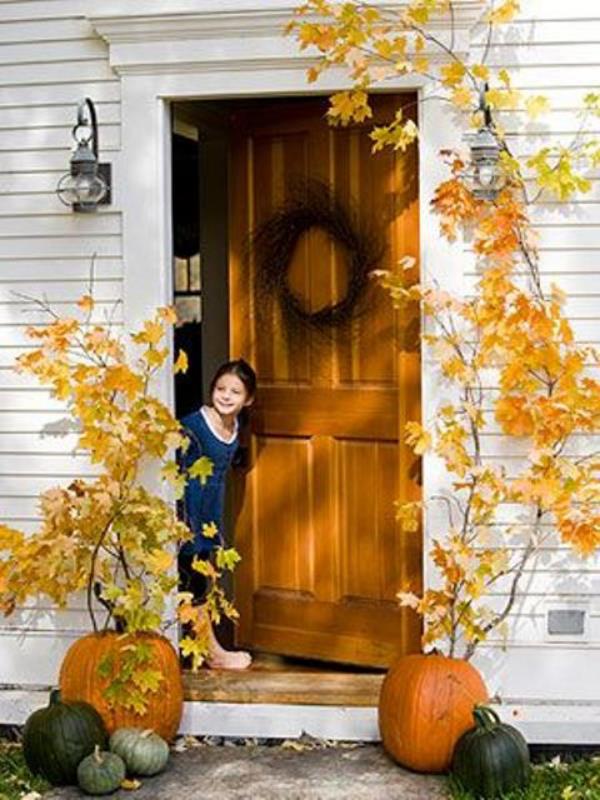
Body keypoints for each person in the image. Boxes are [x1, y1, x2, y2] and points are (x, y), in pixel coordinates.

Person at [178, 358, 256, 670]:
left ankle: (198, 646)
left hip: (210, 511)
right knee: (193, 578)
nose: (225, 395)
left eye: (235, 391)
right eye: (220, 388)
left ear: (248, 399)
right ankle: (212, 652)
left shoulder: (235, 426)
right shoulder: (194, 426)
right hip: (187, 511)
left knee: (203, 575)